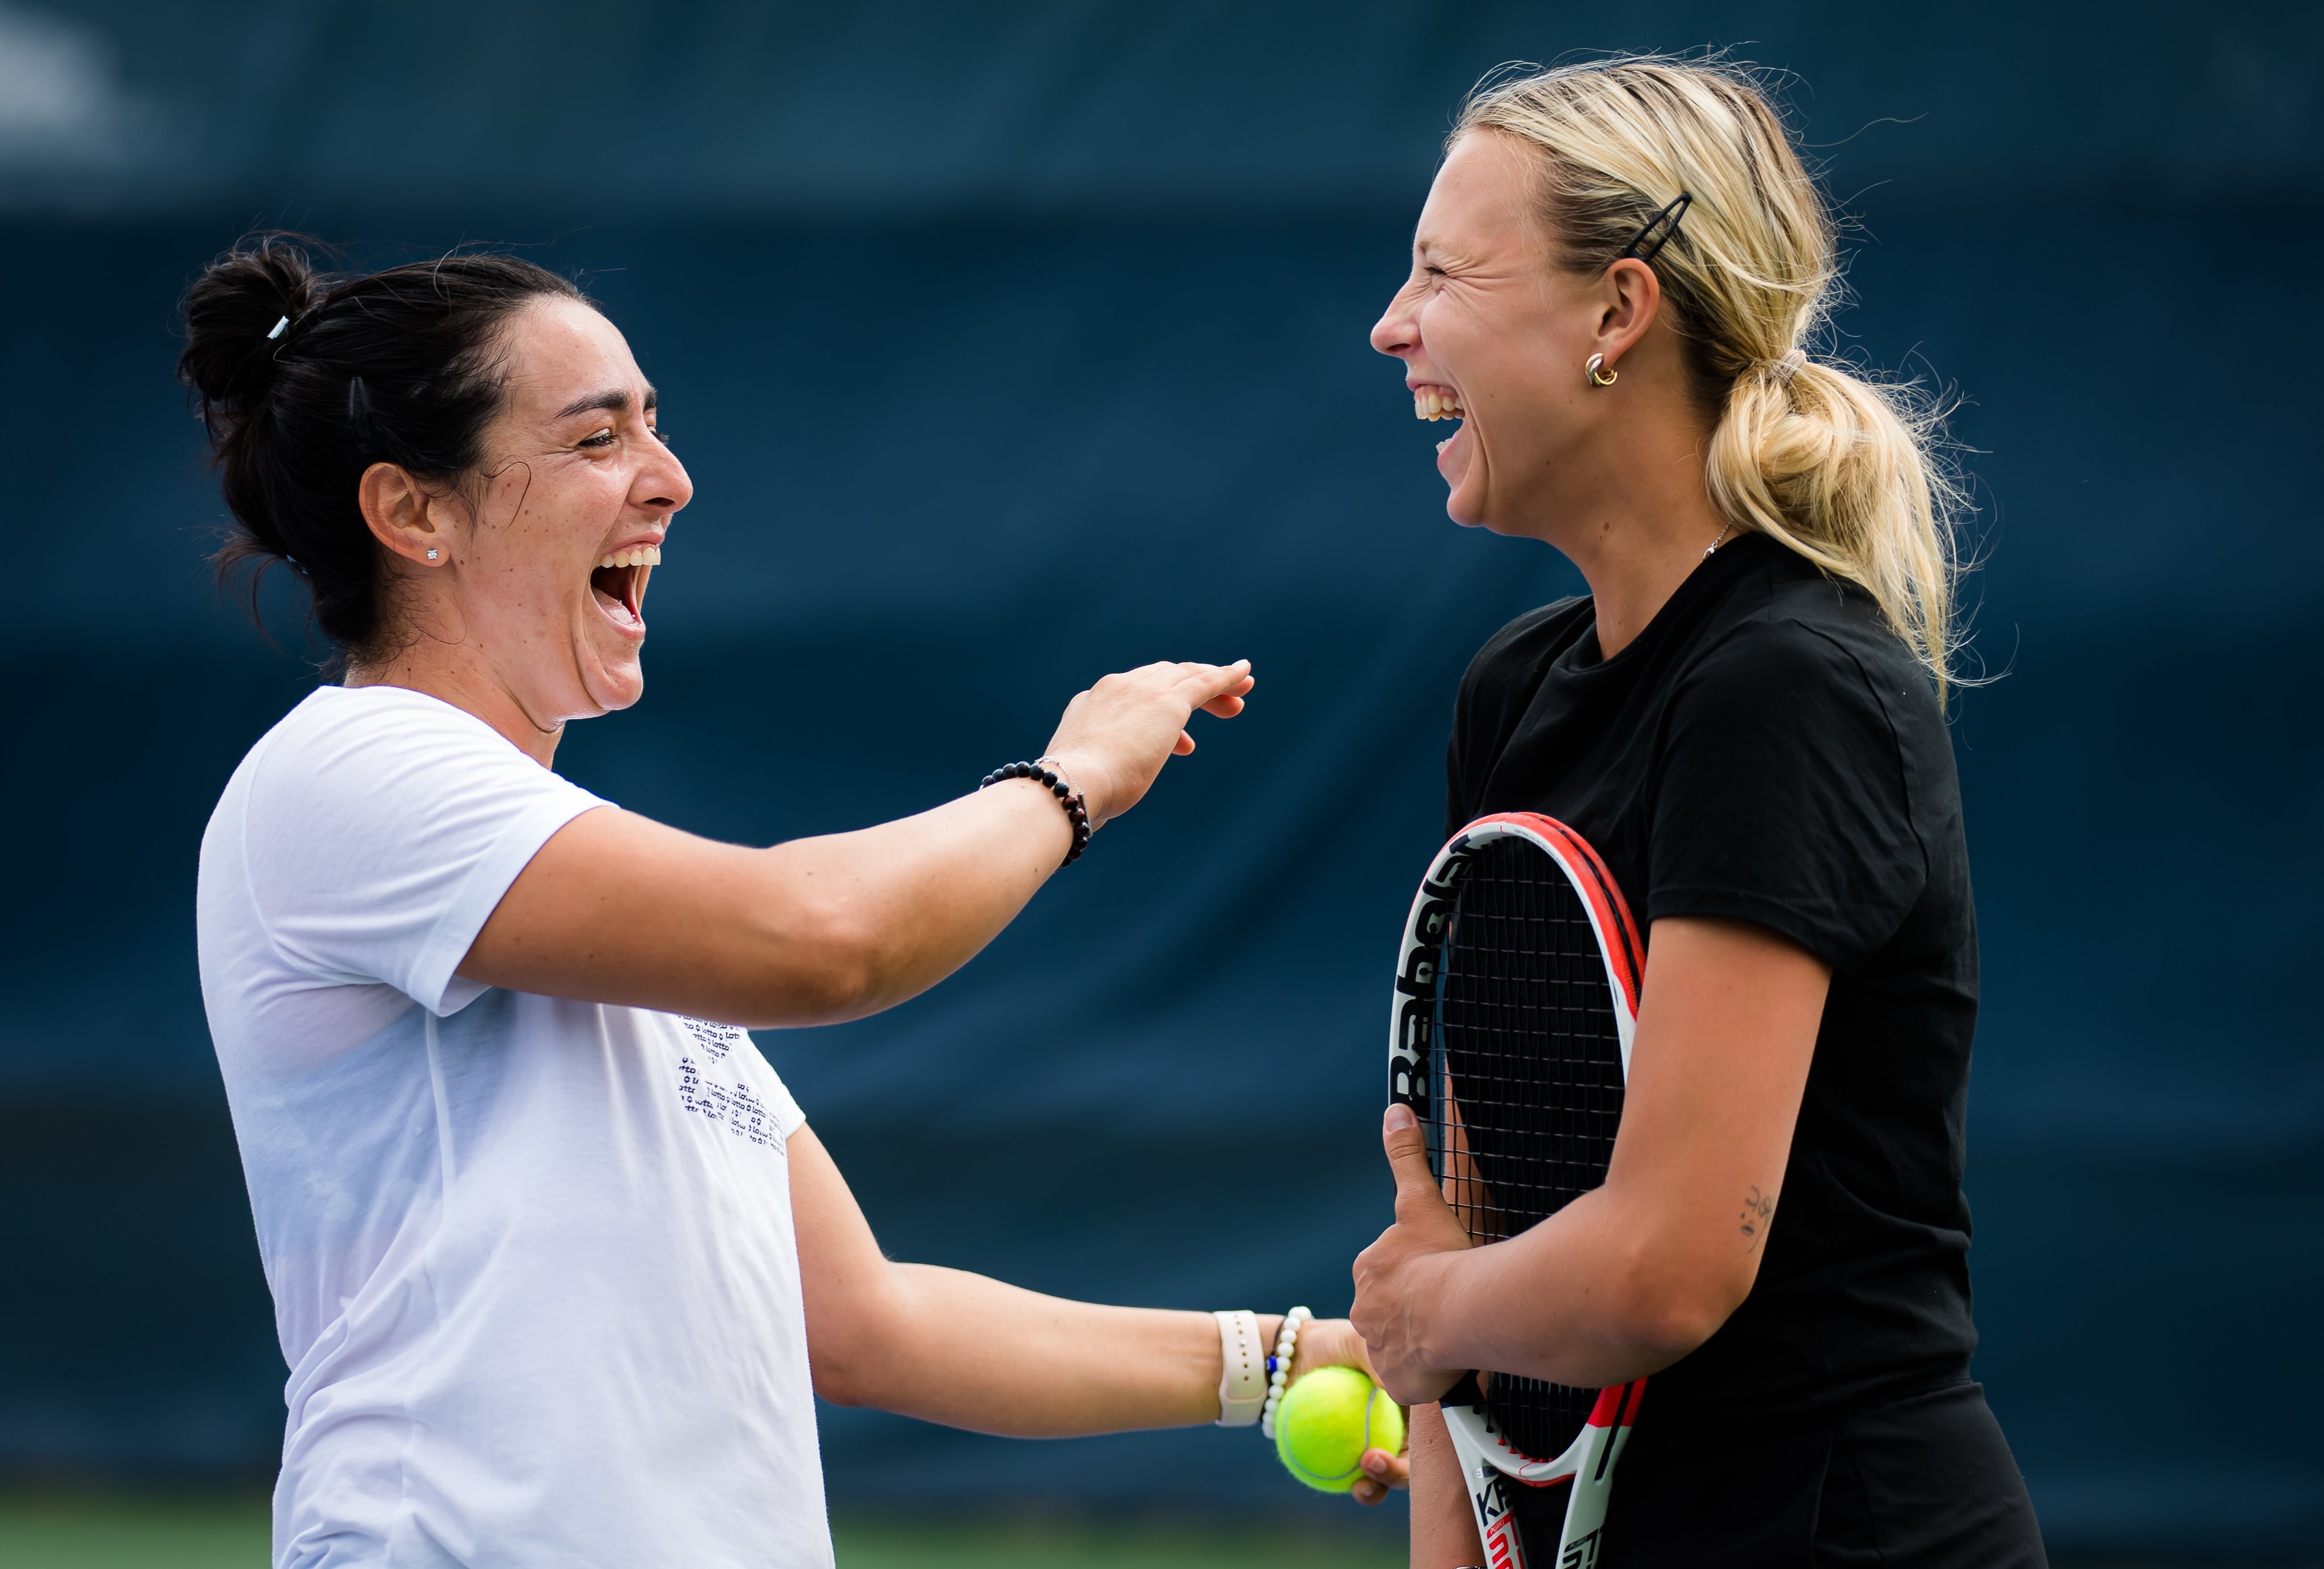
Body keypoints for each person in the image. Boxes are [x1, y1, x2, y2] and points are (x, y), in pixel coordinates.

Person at [182, 237, 1404, 1569]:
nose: (670, 477)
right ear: (414, 512)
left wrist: (1277, 1364)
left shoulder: (599, 930)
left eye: (655, 424)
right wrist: (1071, 782)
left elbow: (869, 1324)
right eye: (596, 438)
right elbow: (826, 941)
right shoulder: (347, 769)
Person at [1348, 58, 2045, 1568]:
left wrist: (1421, 1311)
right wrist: (1438, 1359)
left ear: (1616, 312)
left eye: (1442, 273)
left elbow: (1665, 1262)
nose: (1392, 325)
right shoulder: (1510, 693)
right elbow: (1472, 1226)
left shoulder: (1783, 685)